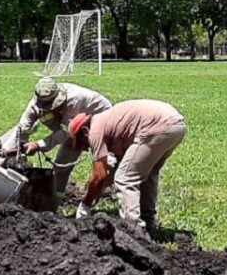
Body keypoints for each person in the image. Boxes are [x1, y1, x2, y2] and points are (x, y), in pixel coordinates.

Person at [68, 99, 186, 238]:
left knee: (125, 179)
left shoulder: (94, 130)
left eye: (82, 143)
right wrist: (96, 192)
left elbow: (99, 176)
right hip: (176, 125)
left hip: (157, 126)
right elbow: (110, 173)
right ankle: (148, 223)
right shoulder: (110, 123)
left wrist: (85, 205)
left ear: (84, 130)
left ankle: (134, 231)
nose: (86, 148)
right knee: (146, 175)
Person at [0, 77, 111, 202]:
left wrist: (39, 145)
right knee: (61, 166)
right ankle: (57, 199)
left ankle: (99, 190)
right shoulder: (34, 105)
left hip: (100, 121)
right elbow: (21, 130)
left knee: (106, 163)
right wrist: (3, 156)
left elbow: (65, 132)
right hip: (75, 127)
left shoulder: (74, 99)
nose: (51, 109)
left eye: (54, 106)